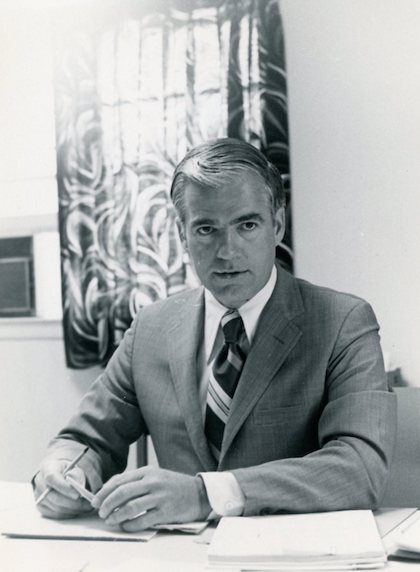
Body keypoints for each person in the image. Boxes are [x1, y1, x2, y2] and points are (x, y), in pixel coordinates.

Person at [34, 138, 396, 531]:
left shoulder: (344, 322)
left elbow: (360, 469)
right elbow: (88, 440)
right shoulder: (151, 328)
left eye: (247, 225)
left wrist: (204, 495)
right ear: (182, 234)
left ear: (276, 225)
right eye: (206, 229)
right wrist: (65, 471)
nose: (227, 252)